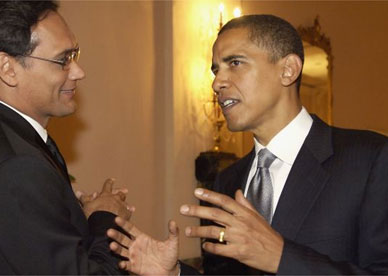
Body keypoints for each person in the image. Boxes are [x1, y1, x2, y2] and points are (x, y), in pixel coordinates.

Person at [107, 14, 388, 275]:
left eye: (235, 63)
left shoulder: (369, 160)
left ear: (288, 70)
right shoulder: (227, 183)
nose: (217, 83)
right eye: (216, 70)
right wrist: (175, 273)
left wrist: (282, 257)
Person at [0, 1, 133, 274]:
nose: (78, 71)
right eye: (63, 60)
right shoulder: (14, 169)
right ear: (8, 68)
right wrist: (106, 219)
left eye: (75, 54)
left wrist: (81, 221)